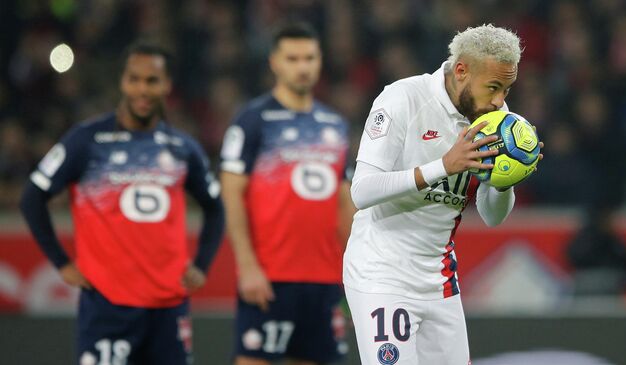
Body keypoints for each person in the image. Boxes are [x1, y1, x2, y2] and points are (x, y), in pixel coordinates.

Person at [343, 24, 543, 365]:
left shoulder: (496, 120)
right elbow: (362, 191)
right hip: (382, 273)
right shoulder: (402, 98)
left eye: (507, 89)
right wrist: (444, 166)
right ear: (461, 70)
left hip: (439, 281)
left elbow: (493, 217)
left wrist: (507, 178)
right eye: (493, 87)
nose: (499, 101)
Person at [19, 41, 225, 365]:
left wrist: (202, 264)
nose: (142, 89)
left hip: (168, 306)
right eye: (135, 79)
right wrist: (61, 263)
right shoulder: (86, 140)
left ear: (167, 85)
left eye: (152, 80)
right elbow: (32, 198)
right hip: (107, 305)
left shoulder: (182, 147)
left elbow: (216, 207)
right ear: (122, 82)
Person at [220, 22, 354, 365]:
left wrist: (355, 272)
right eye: (293, 58)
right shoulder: (253, 121)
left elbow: (345, 204)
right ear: (274, 63)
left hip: (323, 280)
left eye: (309, 57)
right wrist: (247, 266)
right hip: (270, 277)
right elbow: (231, 195)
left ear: (320, 61)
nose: (303, 66)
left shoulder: (335, 125)